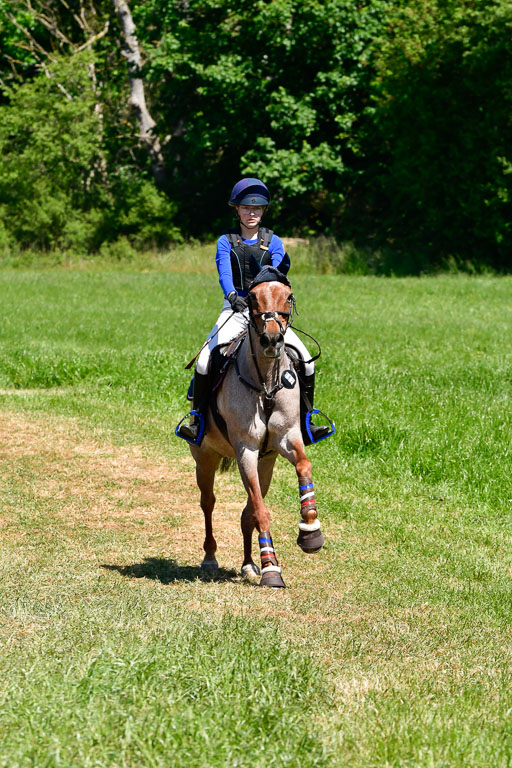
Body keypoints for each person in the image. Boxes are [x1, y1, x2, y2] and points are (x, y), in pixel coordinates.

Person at [177, 177, 330, 445]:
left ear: (263, 211)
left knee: (307, 360)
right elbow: (224, 273)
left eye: (257, 209)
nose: (252, 213)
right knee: (203, 361)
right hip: (235, 308)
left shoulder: (275, 241)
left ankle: (308, 422)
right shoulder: (226, 240)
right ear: (236, 209)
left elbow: (279, 276)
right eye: (246, 208)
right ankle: (197, 421)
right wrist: (233, 295)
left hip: (268, 312)